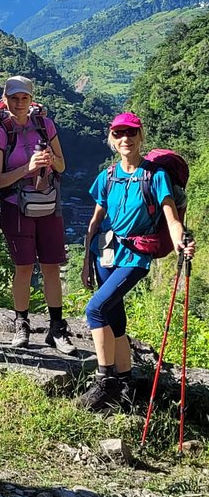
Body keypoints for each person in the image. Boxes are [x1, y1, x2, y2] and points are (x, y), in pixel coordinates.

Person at [80, 111, 195, 411]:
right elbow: (95, 221)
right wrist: (84, 260)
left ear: (141, 136)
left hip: (136, 255)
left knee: (95, 309)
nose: (125, 139)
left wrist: (182, 240)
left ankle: (105, 382)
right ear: (111, 139)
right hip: (105, 252)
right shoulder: (106, 177)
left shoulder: (155, 176)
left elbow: (171, 218)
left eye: (131, 133)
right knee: (115, 318)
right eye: (118, 134)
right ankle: (127, 384)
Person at [0, 76, 77, 353]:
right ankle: (21, 324)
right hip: (16, 206)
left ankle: (57, 328)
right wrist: (28, 167)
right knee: (24, 268)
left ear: (31, 99)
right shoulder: (1, 131)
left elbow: (62, 166)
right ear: (5, 99)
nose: (18, 103)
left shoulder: (45, 125)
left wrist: (51, 159)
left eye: (23, 98)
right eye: (13, 98)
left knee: (51, 266)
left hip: (48, 204)